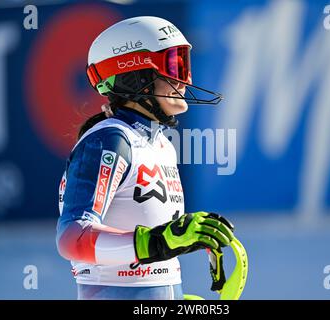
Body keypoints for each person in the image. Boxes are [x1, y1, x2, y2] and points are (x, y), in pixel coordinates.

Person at [56, 16, 233, 300]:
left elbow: (156, 246)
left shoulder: (161, 144)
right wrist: (160, 241)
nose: (185, 80)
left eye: (184, 64)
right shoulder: (110, 141)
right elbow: (70, 238)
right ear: (135, 75)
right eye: (175, 65)